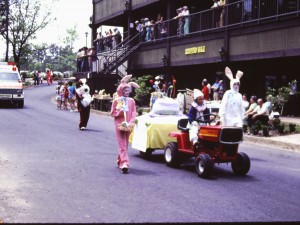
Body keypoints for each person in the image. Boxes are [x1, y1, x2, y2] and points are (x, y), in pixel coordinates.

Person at [110, 75, 139, 173]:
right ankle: (125, 163)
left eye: (128, 91)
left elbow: (134, 113)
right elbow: (112, 113)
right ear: (121, 91)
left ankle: (120, 160)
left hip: (128, 126)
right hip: (119, 125)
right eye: (125, 91)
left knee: (125, 144)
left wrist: (130, 122)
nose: (127, 92)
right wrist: (120, 111)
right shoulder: (116, 101)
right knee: (122, 144)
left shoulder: (132, 101)